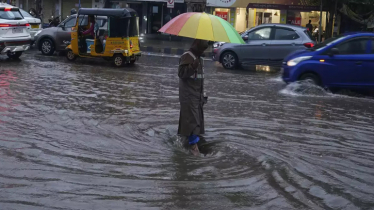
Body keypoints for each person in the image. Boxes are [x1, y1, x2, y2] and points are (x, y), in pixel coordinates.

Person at [178, 39, 209, 156]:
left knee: (197, 120)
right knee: (192, 121)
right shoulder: (187, 56)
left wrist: (202, 96)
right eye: (201, 49)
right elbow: (181, 73)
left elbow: (199, 79)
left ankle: (188, 141)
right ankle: (193, 148)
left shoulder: (200, 58)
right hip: (189, 95)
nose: (202, 51)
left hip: (197, 95)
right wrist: (192, 66)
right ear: (196, 46)